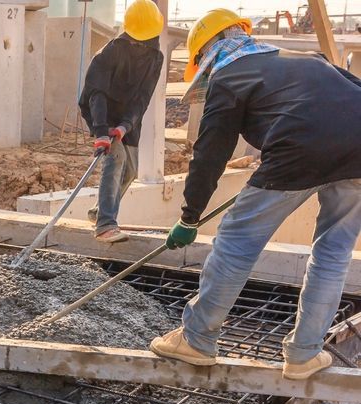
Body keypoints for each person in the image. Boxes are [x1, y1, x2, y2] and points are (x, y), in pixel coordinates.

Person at [150, 9, 361, 380]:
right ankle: (304, 354)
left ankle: (197, 339)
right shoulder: (307, 60)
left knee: (236, 241)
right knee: (333, 252)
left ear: (207, 52)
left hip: (297, 152)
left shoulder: (228, 76)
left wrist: (189, 216)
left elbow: (209, 154)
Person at [78, 0, 164, 244]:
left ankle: (98, 212)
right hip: (101, 110)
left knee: (131, 169)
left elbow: (143, 97)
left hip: (128, 116)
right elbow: (97, 94)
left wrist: (126, 125)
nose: (140, 44)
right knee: (116, 160)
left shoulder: (155, 56)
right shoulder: (109, 53)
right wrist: (102, 132)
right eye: (136, 39)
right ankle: (105, 224)